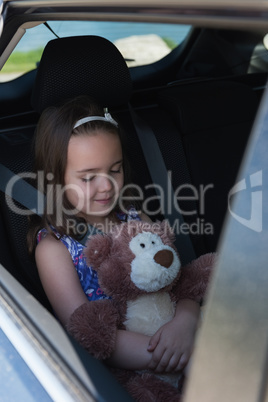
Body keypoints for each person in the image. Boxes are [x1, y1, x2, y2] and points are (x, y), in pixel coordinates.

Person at [27, 95, 200, 374]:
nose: (106, 186)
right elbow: (87, 332)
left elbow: (179, 280)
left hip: (181, 338)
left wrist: (186, 321)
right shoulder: (54, 248)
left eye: (115, 170)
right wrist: (170, 356)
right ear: (56, 178)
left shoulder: (134, 216)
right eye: (88, 177)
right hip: (136, 369)